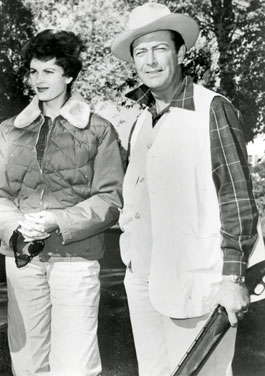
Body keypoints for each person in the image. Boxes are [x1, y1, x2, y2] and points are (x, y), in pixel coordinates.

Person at [111, 3, 264, 375]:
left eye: (159, 48)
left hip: (200, 281)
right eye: (140, 52)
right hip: (143, 279)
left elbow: (237, 197)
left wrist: (232, 278)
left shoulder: (213, 108)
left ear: (180, 53)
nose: (150, 60)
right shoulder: (140, 121)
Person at [0, 29, 124, 376]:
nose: (38, 79)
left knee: (75, 366)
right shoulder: (9, 131)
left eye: (49, 71)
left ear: (69, 75)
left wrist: (58, 220)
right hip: (22, 257)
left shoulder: (99, 130)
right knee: (27, 363)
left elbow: (110, 198)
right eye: (33, 70)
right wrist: (16, 226)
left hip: (76, 258)